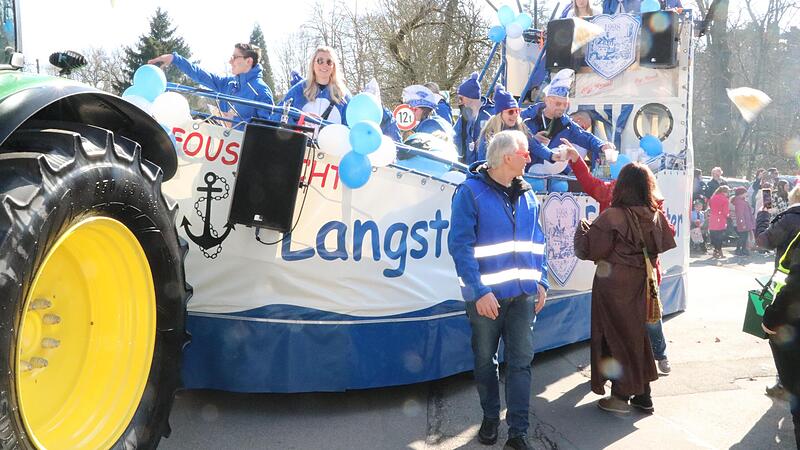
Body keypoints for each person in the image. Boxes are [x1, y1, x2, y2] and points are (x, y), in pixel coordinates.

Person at [448, 130, 548, 450]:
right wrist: (479, 291)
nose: (529, 158)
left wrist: (541, 281)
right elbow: (460, 247)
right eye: (525, 153)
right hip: (485, 299)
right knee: (484, 360)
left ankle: (518, 433)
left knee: (521, 362)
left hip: (522, 297)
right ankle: (490, 417)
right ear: (507, 157)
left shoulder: (528, 194)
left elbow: (537, 243)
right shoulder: (469, 192)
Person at [561, 143, 675, 374]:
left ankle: (632, 367)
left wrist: (576, 159)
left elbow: (587, 246)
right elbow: (667, 237)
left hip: (617, 277)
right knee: (649, 317)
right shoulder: (652, 207)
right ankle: (650, 361)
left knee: (625, 322)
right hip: (644, 275)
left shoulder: (619, 201)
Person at [574, 162, 677, 414]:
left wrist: (582, 229)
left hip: (615, 287)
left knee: (615, 338)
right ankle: (643, 396)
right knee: (636, 337)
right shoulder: (655, 215)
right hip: (644, 282)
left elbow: (588, 250)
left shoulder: (613, 215)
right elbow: (666, 241)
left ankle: (620, 397)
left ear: (622, 185)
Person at [148, 43, 274, 123]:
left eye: (235, 57)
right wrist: (175, 59)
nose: (230, 61)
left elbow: (268, 130)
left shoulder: (261, 91)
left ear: (249, 61)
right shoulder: (228, 83)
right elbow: (201, 75)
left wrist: (236, 123)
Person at [757, 185, 800, 404]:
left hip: (789, 289)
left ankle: (785, 382)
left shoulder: (790, 219)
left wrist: (764, 215)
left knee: (784, 338)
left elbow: (763, 241)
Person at [520, 69, 613, 169]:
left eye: (565, 104)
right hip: (528, 171)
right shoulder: (526, 117)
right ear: (547, 101)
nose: (561, 108)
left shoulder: (566, 124)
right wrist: (531, 140)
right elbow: (514, 143)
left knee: (561, 185)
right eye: (558, 104)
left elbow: (586, 138)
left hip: (555, 173)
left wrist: (602, 146)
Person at [476, 85, 553, 166]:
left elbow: (535, 146)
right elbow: (483, 162)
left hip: (513, 173)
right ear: (500, 114)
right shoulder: (488, 133)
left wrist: (553, 156)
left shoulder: (520, 126)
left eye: (517, 111)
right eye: (511, 112)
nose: (515, 115)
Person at [280, 46, 350, 125]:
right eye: (320, 61)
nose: (324, 65)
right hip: (301, 137)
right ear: (313, 64)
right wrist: (301, 120)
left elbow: (350, 126)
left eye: (329, 62)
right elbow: (277, 116)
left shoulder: (343, 94)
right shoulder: (298, 90)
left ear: (334, 66)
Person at [453, 72, 491, 165]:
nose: (459, 102)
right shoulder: (464, 116)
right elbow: (453, 136)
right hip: (468, 168)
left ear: (470, 98)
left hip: (486, 169)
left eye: (461, 98)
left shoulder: (491, 114)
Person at [708, 185, 731, 259]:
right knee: (720, 237)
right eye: (728, 192)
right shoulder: (725, 199)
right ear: (725, 192)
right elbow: (725, 212)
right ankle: (718, 251)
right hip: (720, 219)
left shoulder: (713, 197)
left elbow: (711, 207)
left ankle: (716, 251)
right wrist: (728, 216)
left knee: (714, 236)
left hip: (713, 219)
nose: (728, 194)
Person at [731, 186, 755, 256]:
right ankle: (739, 249)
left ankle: (743, 249)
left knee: (744, 237)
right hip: (744, 222)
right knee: (742, 237)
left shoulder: (741, 201)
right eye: (745, 192)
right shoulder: (740, 202)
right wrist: (742, 223)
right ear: (741, 193)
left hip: (745, 222)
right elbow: (740, 214)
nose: (746, 193)